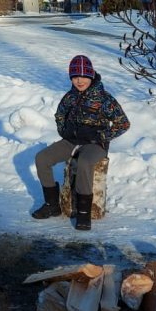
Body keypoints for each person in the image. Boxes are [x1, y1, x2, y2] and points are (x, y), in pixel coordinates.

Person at [32, 55, 130, 231]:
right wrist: (64, 131)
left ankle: (84, 213)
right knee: (42, 158)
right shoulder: (70, 97)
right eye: (75, 77)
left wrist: (102, 136)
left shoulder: (104, 99)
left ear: (91, 76)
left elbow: (123, 124)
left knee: (84, 162)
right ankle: (52, 204)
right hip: (71, 141)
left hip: (95, 144)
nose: (79, 81)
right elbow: (59, 115)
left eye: (84, 76)